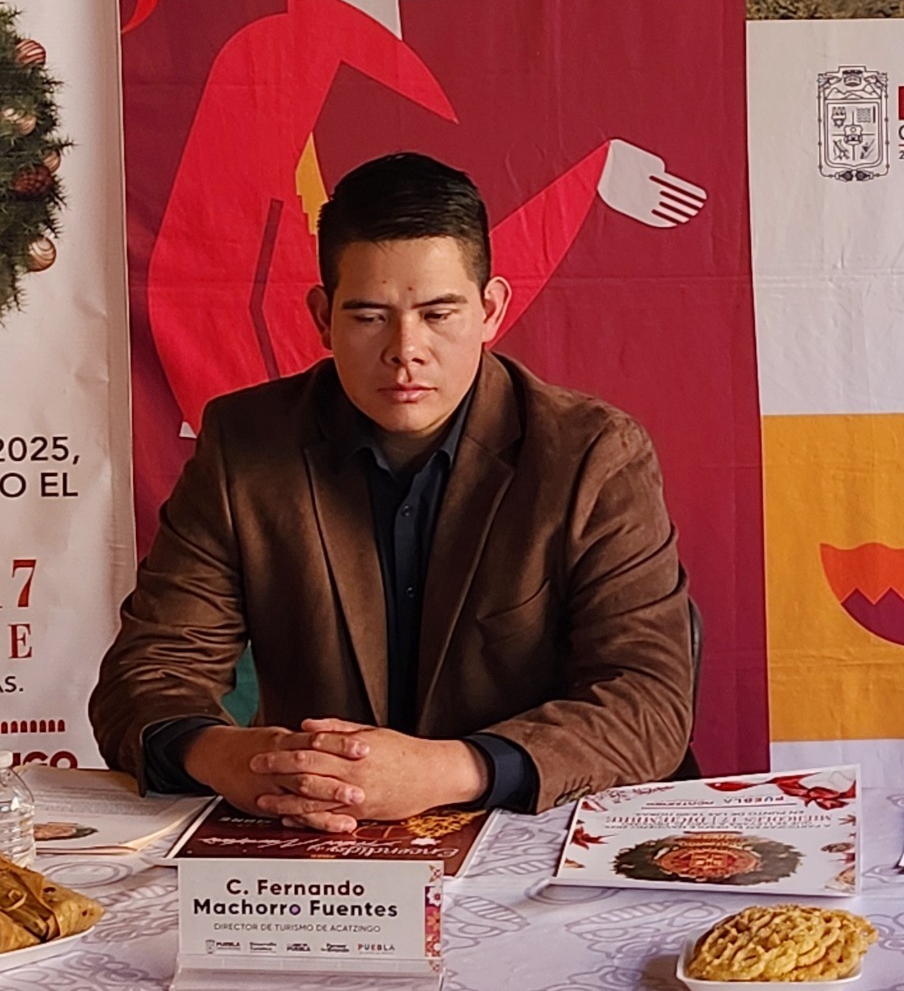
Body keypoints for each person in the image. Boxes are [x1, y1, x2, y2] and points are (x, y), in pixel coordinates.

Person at [91, 152, 695, 825]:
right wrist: (230, 757)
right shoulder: (245, 445)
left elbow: (649, 701)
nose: (405, 349)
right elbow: (146, 675)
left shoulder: (593, 454)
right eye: (369, 317)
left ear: (490, 309)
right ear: (323, 318)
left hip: (539, 830)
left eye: (438, 314)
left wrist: (448, 770)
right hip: (324, 832)